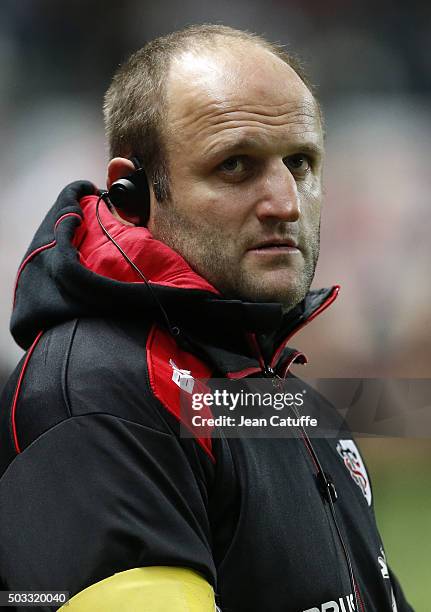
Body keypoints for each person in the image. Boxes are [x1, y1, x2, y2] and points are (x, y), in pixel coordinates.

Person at [0, 24, 413, 612]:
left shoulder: (275, 398)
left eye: (300, 162)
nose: (285, 203)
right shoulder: (99, 392)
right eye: (236, 166)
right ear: (133, 193)